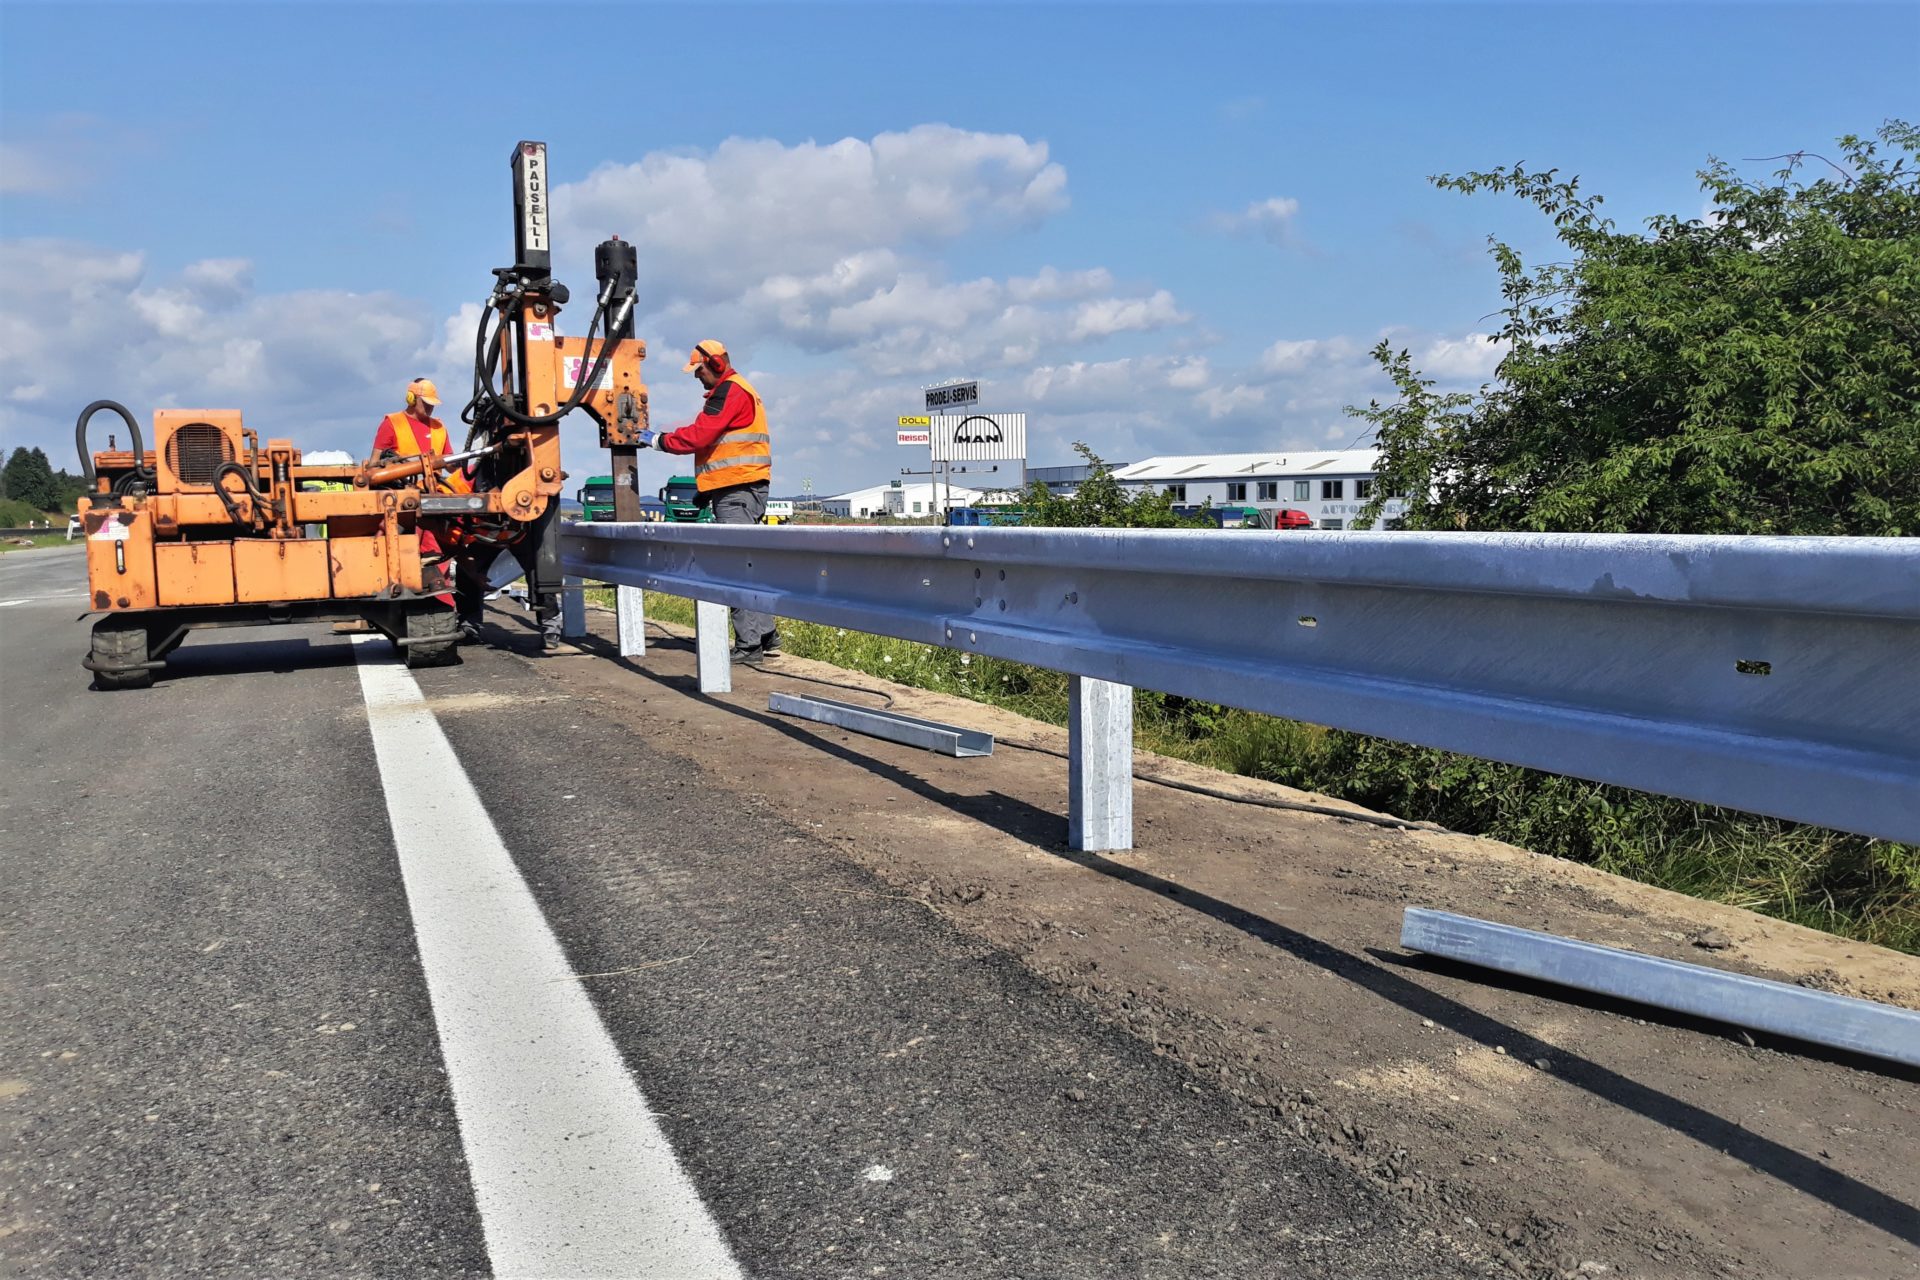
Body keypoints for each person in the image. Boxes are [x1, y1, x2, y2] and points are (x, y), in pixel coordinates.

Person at [639, 340, 780, 665]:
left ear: (716, 364)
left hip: (737, 491)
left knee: (735, 568)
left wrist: (658, 441)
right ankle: (766, 634)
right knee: (746, 563)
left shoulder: (730, 391)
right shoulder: (739, 390)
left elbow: (701, 435)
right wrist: (707, 489)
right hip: (740, 489)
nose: (696, 376)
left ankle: (749, 646)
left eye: (698, 369)